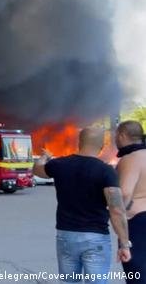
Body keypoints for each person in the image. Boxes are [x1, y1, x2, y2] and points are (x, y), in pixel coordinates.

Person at [34, 127, 131, 284]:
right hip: (96, 238)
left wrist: (44, 157)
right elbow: (117, 210)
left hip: (66, 236)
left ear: (79, 142)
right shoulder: (105, 171)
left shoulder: (60, 164)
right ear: (102, 145)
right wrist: (124, 244)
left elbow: (37, 170)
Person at [115, 120, 146, 283]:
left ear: (122, 136)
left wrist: (121, 211)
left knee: (137, 273)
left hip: (138, 222)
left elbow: (125, 192)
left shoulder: (130, 159)